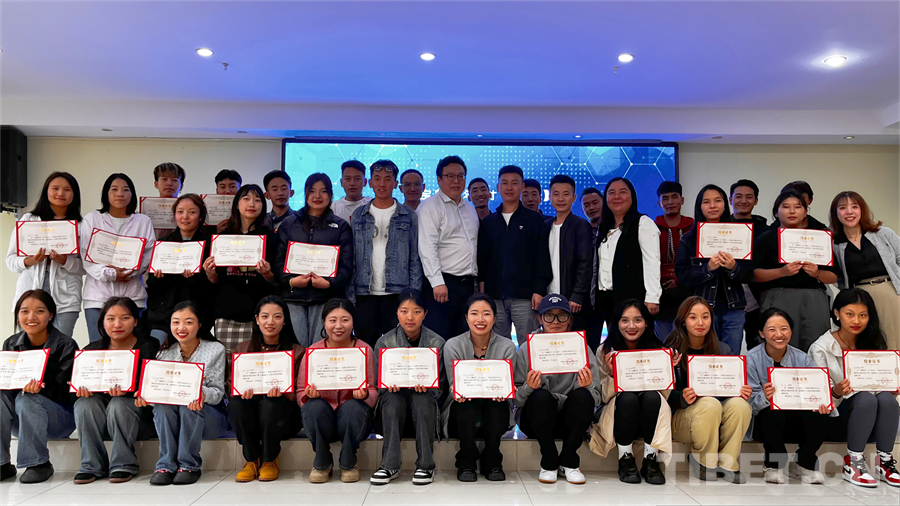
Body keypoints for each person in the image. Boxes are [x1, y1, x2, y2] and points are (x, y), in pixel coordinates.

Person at [808, 289, 900, 488]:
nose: (856, 321)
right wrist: (836, 391)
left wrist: (891, 387)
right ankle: (853, 462)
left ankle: (885, 461)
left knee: (887, 399)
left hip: (872, 417)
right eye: (849, 314)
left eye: (863, 315)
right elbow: (817, 396)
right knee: (865, 398)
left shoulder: (874, 342)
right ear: (836, 313)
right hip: (836, 418)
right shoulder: (821, 348)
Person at [514, 293, 601, 484]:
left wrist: (588, 386)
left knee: (583, 396)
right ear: (540, 319)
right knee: (540, 397)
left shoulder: (582, 348)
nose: (555, 321)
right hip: (537, 420)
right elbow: (516, 400)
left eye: (561, 316)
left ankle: (569, 461)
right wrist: (528, 387)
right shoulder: (526, 348)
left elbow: (596, 399)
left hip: (570, 421)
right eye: (549, 316)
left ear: (569, 320)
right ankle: (549, 461)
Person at [664, 296, 752, 483]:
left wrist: (739, 391)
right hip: (681, 418)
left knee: (740, 405)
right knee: (709, 403)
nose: (700, 323)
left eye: (705, 317)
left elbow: (726, 392)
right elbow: (662, 396)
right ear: (683, 321)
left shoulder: (722, 349)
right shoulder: (670, 351)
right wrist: (681, 397)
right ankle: (703, 461)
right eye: (693, 317)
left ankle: (728, 463)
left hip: (714, 414)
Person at [590, 299, 677, 485]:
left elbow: (665, 396)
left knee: (652, 397)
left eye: (637, 320)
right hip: (620, 415)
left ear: (646, 323)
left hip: (651, 414)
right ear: (616, 323)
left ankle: (650, 460)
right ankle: (625, 459)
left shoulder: (659, 351)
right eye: (625, 320)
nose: (631, 326)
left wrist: (668, 370)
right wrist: (613, 374)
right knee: (628, 398)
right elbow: (602, 396)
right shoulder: (604, 351)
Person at [72, 297, 159, 484]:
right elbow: (76, 384)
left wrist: (129, 391)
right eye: (110, 319)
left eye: (125, 318)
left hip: (139, 417)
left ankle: (124, 463)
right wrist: (82, 389)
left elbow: (154, 385)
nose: (117, 324)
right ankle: (91, 465)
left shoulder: (150, 347)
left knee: (119, 403)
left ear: (135, 321)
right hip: (102, 418)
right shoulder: (91, 351)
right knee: (84, 404)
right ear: (103, 322)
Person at [142, 301, 228, 485]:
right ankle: (166, 465)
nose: (181, 327)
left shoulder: (215, 349)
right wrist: (146, 397)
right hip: (175, 415)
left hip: (209, 415)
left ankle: (189, 465)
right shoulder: (163, 354)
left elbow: (218, 393)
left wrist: (202, 394)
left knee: (190, 405)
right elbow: (159, 392)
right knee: (162, 407)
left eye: (188, 322)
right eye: (176, 322)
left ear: (199, 324)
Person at [0, 290, 78, 484]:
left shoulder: (66, 345)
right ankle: (2, 464)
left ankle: (38, 464)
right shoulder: (11, 343)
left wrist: (41, 389)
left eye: (39, 311)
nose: (31, 317)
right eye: (24, 311)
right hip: (22, 419)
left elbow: (66, 392)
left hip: (59, 419)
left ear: (51, 315)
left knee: (27, 398)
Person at [746, 307, 831, 484]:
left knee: (821, 415)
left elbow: (816, 390)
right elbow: (750, 405)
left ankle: (804, 463)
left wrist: (823, 404)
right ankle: (774, 465)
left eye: (784, 328)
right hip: (766, 420)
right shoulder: (751, 359)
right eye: (772, 329)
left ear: (791, 331)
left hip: (797, 416)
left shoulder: (803, 359)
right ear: (761, 333)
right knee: (772, 412)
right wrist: (765, 397)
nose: (779, 334)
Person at [371, 289, 445, 486]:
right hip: (394, 402)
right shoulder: (384, 342)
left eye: (417, 311)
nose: (410, 317)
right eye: (404, 311)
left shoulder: (437, 343)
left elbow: (440, 388)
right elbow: (378, 386)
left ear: (425, 314)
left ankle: (426, 466)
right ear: (397, 313)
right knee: (392, 398)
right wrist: (388, 386)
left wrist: (428, 387)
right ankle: (389, 465)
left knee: (422, 398)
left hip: (424, 404)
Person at [298, 299, 377, 483]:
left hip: (352, 419)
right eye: (332, 320)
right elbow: (300, 391)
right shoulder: (313, 351)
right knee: (312, 406)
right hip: (323, 417)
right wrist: (308, 396)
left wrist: (365, 395)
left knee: (353, 407)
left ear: (353, 322)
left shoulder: (364, 350)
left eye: (345, 320)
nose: (339, 326)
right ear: (324, 322)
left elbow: (374, 391)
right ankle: (322, 461)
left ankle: (349, 462)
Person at [229, 296, 304, 483]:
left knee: (271, 404)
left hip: (283, 417)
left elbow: (300, 390)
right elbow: (232, 383)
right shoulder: (242, 349)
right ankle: (251, 459)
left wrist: (285, 392)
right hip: (251, 414)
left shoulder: (298, 351)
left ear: (285, 320)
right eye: (265, 316)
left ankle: (270, 459)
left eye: (277, 317)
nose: (270, 322)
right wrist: (240, 391)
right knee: (237, 403)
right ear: (257, 319)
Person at [441, 293, 516, 482]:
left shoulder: (507, 346)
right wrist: (456, 391)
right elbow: (453, 384)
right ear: (466, 317)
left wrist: (503, 392)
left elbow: (506, 384)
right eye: (474, 313)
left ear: (495, 318)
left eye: (486, 314)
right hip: (462, 412)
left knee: (496, 404)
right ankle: (466, 461)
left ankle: (492, 459)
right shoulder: (452, 345)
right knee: (466, 404)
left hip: (494, 410)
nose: (480, 319)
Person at [752, 191, 838, 351]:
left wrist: (817, 273)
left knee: (816, 347)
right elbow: (754, 275)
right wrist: (782, 272)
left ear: (805, 212)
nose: (792, 211)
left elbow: (833, 276)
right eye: (785, 207)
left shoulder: (819, 238)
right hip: (778, 296)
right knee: (779, 346)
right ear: (776, 212)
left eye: (797, 207)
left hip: (813, 298)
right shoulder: (766, 238)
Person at [349, 160, 422, 346]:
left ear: (396, 184)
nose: (382, 183)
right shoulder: (358, 215)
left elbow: (414, 258)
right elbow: (352, 258)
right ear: (370, 182)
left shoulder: (408, 215)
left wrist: (413, 296)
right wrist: (350, 295)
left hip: (398, 293)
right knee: (366, 345)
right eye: (377, 178)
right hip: (364, 292)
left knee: (397, 346)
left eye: (388, 179)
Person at [275, 173, 353, 347]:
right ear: (305, 193)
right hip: (293, 297)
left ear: (330, 195)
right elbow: (278, 260)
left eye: (323, 191)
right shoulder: (289, 223)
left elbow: (347, 266)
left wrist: (329, 283)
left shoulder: (341, 226)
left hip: (326, 298)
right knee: (297, 350)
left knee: (319, 349)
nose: (318, 196)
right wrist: (291, 281)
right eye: (312, 191)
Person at [478, 165, 551, 343]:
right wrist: (483, 295)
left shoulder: (534, 220)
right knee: (497, 346)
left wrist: (539, 290)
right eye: (505, 183)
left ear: (522, 186)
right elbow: (483, 261)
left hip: (526, 298)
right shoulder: (488, 222)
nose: (509, 187)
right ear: (498, 187)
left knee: (529, 345)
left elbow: (542, 258)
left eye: (514, 183)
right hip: (495, 297)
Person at [5, 172, 84, 338]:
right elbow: (10, 260)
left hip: (66, 299)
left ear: (74, 194)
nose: (60, 193)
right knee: (30, 348)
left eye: (67, 189)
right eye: (55, 188)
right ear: (46, 191)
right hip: (29, 295)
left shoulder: (81, 226)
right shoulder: (29, 220)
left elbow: (86, 266)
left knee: (61, 347)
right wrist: (30, 260)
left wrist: (65, 261)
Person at [675, 185, 753, 352]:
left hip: (734, 308)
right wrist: (707, 269)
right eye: (706, 202)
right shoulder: (689, 239)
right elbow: (682, 275)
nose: (712, 206)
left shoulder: (741, 235)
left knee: (731, 358)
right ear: (699, 207)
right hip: (702, 309)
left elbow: (749, 273)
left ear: (725, 204)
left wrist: (734, 267)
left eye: (718, 201)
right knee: (707, 356)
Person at [81, 173, 155, 343]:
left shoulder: (143, 221)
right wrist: (112, 274)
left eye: (125, 190)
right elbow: (87, 257)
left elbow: (148, 254)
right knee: (98, 349)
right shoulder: (92, 219)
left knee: (132, 349)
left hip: (133, 297)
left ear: (132, 194)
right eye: (114, 189)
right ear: (106, 193)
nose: (120, 194)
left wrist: (129, 272)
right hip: (97, 298)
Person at [203, 184, 278, 353]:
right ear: (237, 204)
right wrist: (210, 273)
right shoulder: (222, 238)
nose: (252, 204)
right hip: (227, 310)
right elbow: (215, 280)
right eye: (246, 199)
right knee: (228, 362)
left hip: (259, 312)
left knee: (254, 362)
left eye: (257, 200)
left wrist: (267, 273)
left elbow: (276, 280)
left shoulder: (270, 238)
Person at [417, 155, 479, 339]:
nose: (456, 181)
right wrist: (437, 282)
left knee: (464, 339)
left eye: (460, 176)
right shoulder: (430, 207)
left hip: (467, 286)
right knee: (439, 338)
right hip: (442, 285)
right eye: (450, 176)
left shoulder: (469, 207)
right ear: (439, 179)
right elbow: (427, 247)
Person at [830, 191, 900, 350]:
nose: (849, 212)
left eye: (854, 207)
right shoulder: (834, 244)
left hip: (892, 292)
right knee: (870, 342)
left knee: (896, 338)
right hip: (860, 300)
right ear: (836, 213)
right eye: (842, 208)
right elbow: (836, 277)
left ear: (862, 210)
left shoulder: (883, 233)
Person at [592, 177, 662, 334]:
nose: (617, 197)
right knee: (613, 342)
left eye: (622, 192)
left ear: (632, 196)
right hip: (606, 299)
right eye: (611, 193)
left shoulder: (643, 223)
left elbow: (652, 261)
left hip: (633, 299)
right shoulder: (603, 228)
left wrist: (653, 297)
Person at [145, 194, 214, 344]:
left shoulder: (209, 244)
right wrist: (158, 277)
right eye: (180, 212)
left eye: (192, 212)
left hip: (199, 313)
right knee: (157, 350)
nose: (185, 217)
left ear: (200, 217)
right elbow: (151, 284)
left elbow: (212, 285)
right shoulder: (163, 243)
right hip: (164, 314)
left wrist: (193, 278)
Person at [545, 175, 593, 333]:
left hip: (572, 300)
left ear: (573, 198)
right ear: (550, 197)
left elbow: (585, 262)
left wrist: (577, 294)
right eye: (556, 194)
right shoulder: (545, 226)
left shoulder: (581, 225)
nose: (560, 199)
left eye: (566, 194)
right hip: (548, 299)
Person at [730, 179, 768, 349]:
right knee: (727, 347)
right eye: (738, 196)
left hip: (758, 295)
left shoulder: (765, 231)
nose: (743, 201)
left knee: (759, 344)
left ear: (756, 201)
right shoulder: (719, 227)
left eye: (749, 197)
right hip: (728, 294)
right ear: (730, 199)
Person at [654, 181, 694, 341]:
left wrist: (679, 279)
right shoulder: (652, 228)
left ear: (682, 200)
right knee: (665, 342)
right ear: (659, 203)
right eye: (665, 198)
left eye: (674, 197)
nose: (670, 202)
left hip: (688, 289)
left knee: (689, 338)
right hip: (661, 292)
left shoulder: (693, 227)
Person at [151, 162, 186, 239]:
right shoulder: (146, 210)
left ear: (181, 186)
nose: (169, 183)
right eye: (164, 179)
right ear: (156, 184)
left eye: (175, 180)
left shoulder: (188, 213)